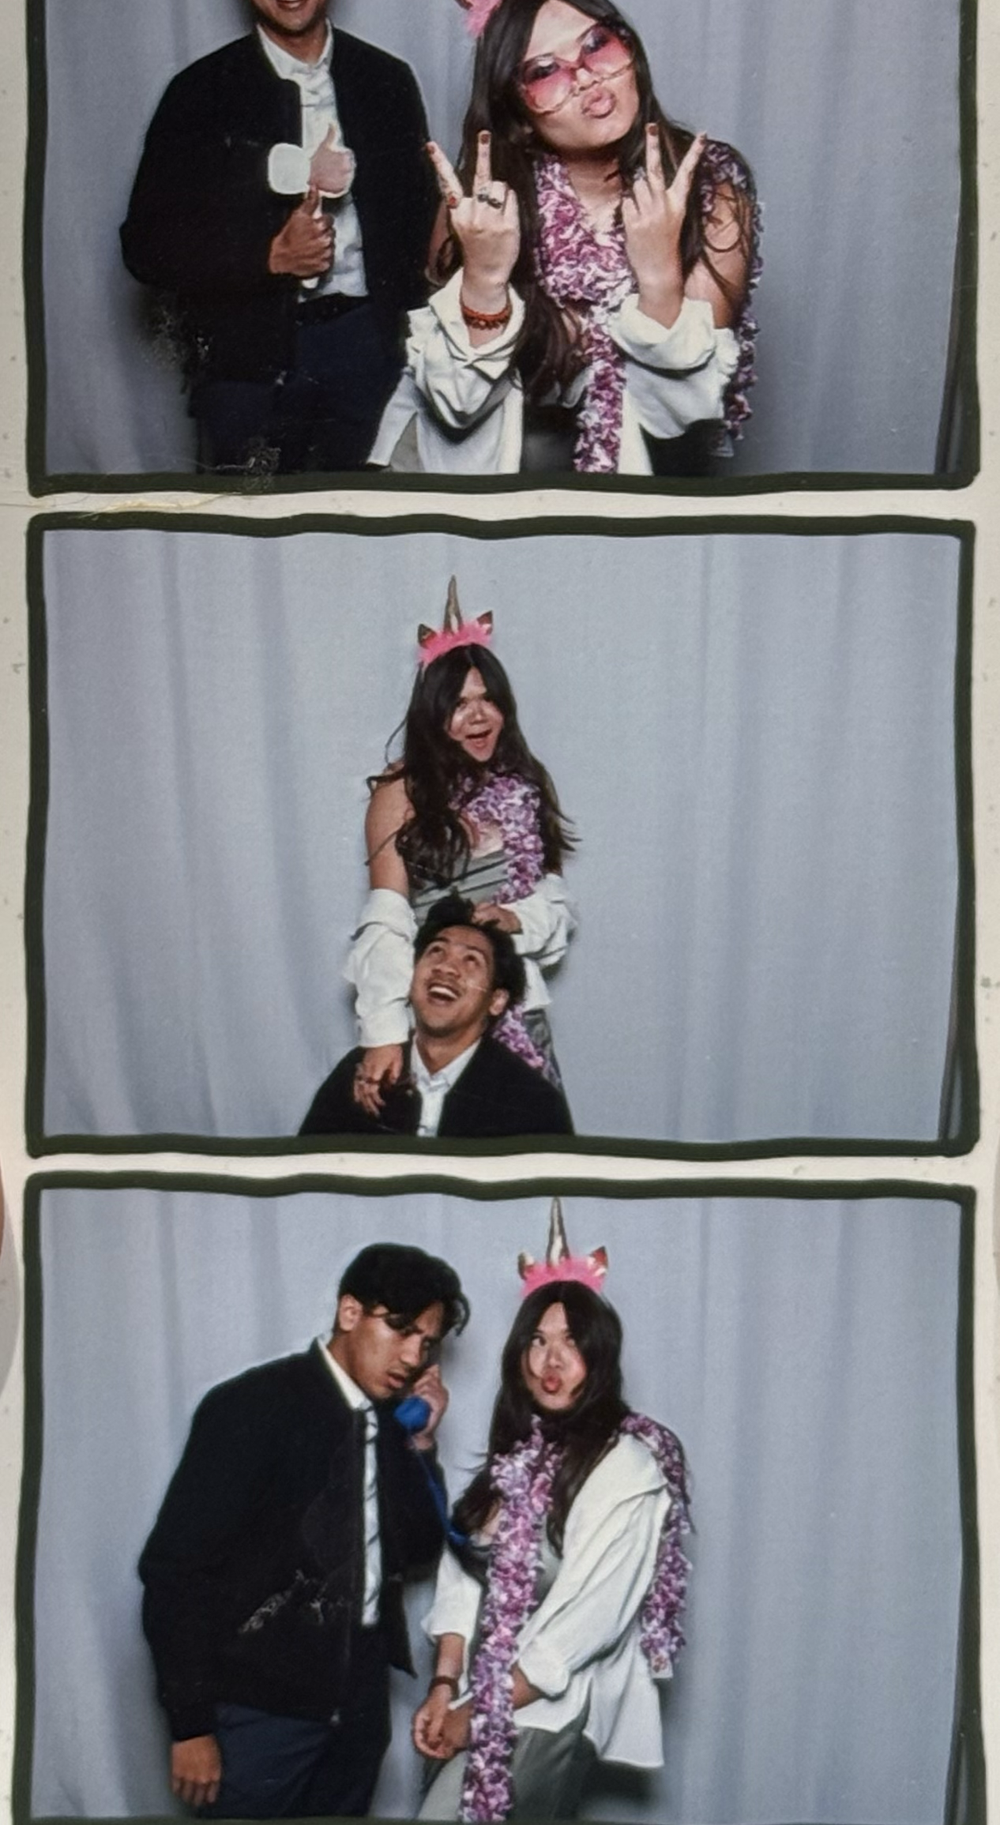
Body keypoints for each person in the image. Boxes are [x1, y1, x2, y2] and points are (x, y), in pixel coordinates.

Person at [372, 0, 760, 479]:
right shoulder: (481, 200)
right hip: (468, 473)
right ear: (519, 116)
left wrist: (657, 273)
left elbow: (683, 414)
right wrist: (484, 280)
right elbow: (456, 405)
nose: (585, 77)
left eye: (597, 44)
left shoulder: (708, 192)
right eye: (546, 71)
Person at [139, 1242, 468, 1819]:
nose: (413, 1355)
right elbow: (175, 1572)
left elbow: (417, 1551)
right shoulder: (251, 1405)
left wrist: (420, 1444)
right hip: (260, 1712)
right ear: (349, 1313)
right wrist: (189, 1725)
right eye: (400, 1329)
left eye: (427, 1341)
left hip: (359, 1714)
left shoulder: (392, 1423)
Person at [120, 0, 436, 475]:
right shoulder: (199, 92)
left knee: (371, 529)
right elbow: (145, 247)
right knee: (249, 538)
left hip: (368, 350)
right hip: (247, 368)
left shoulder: (387, 80)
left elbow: (418, 227)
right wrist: (267, 258)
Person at [412, 1199, 691, 1822]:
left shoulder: (631, 1467)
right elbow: (464, 1571)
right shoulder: (518, 1455)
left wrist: (476, 1713)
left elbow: (590, 1623)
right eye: (536, 1341)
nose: (551, 1361)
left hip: (548, 1709)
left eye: (570, 1343)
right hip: (478, 1696)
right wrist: (444, 1685)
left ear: (600, 1357)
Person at [345, 580, 576, 1118]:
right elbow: (387, 916)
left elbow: (557, 904)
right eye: (460, 704)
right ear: (433, 714)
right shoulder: (400, 792)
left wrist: (514, 920)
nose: (478, 717)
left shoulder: (524, 783)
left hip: (516, 1012)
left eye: (488, 700)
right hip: (432, 1020)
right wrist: (382, 1032)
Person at [301, 894, 574, 1140]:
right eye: (436, 951)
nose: (447, 967)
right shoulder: (361, 1075)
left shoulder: (531, 1099)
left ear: (496, 1000)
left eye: (471, 960)